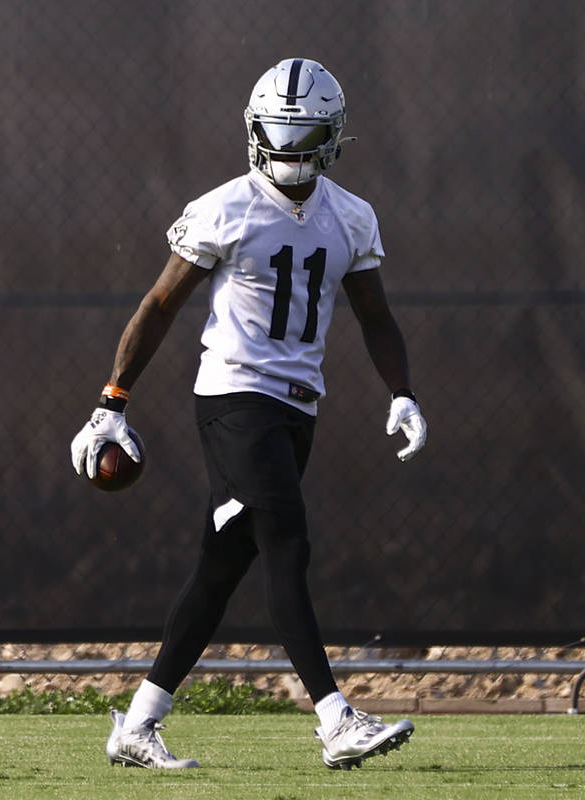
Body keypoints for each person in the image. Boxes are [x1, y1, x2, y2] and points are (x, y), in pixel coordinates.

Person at [70, 57, 427, 771]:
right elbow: (159, 306)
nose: (290, 152)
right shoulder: (224, 207)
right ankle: (335, 719)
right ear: (254, 131)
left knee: (222, 564)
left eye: (305, 138)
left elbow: (377, 317)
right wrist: (112, 399)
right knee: (286, 543)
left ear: (333, 138)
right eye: (279, 135)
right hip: (234, 397)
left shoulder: (351, 216)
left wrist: (402, 391)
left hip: (299, 409)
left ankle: (137, 725)